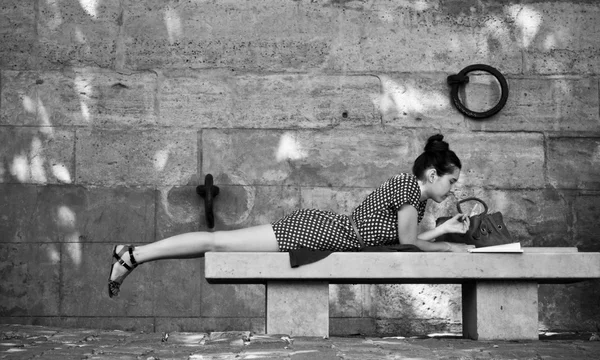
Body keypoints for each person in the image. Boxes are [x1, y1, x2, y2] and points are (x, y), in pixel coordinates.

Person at [108, 134, 474, 298]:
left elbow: (399, 242)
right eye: (451, 181)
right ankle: (133, 254)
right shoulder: (409, 191)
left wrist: (441, 234)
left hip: (322, 231)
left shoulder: (409, 192)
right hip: (315, 233)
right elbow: (408, 245)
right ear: (432, 176)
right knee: (218, 242)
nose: (452, 190)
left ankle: (135, 254)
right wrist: (448, 249)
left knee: (218, 245)